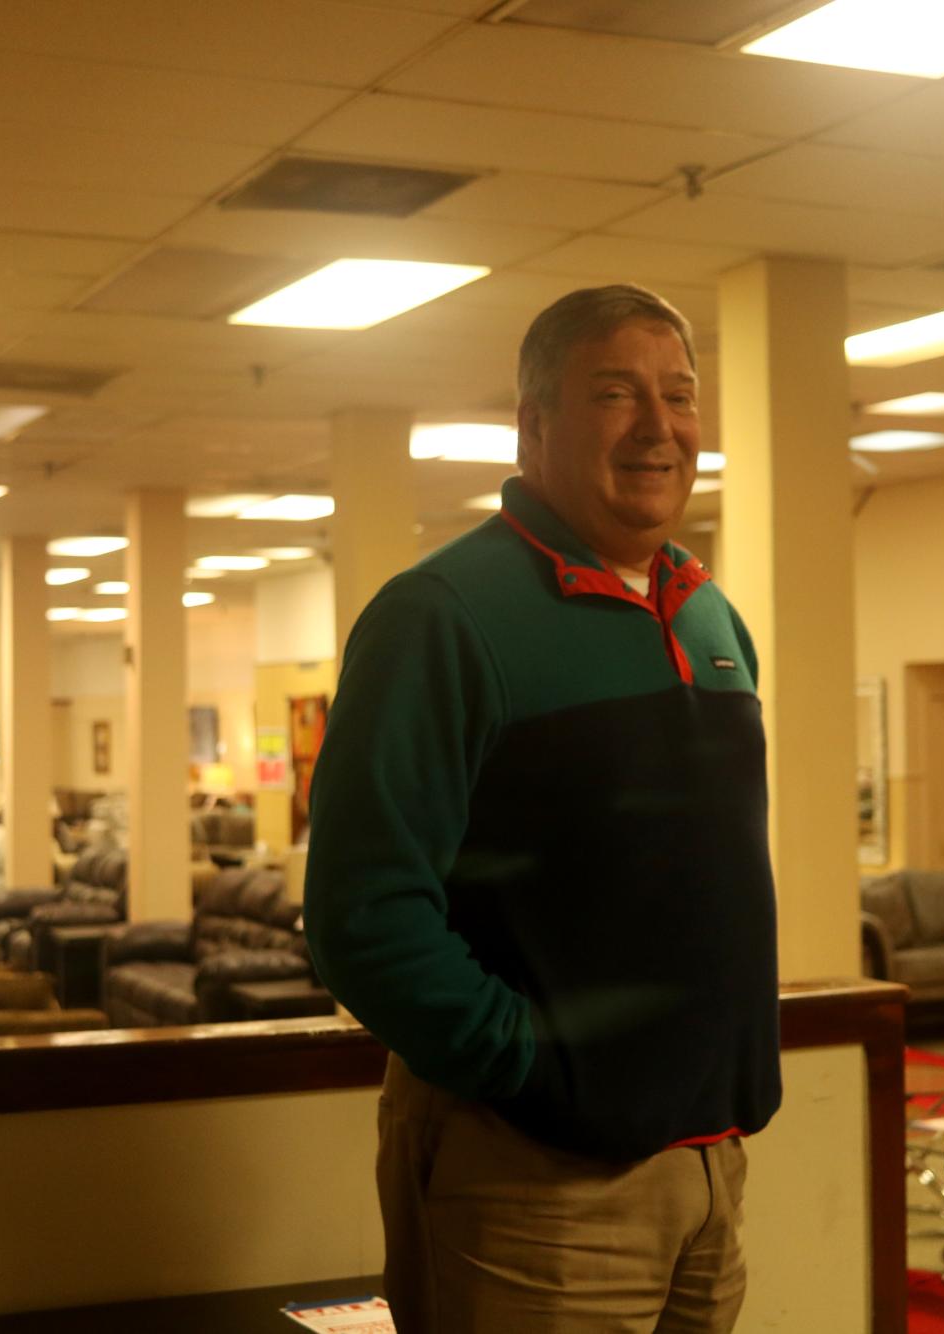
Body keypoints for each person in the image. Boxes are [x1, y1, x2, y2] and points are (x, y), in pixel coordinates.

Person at [304, 284, 780, 1332]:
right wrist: (536, 1068)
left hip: (708, 1165)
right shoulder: (442, 618)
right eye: (616, 393)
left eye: (679, 394)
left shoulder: (710, 616)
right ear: (533, 424)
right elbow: (361, 916)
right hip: (535, 1179)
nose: (659, 426)